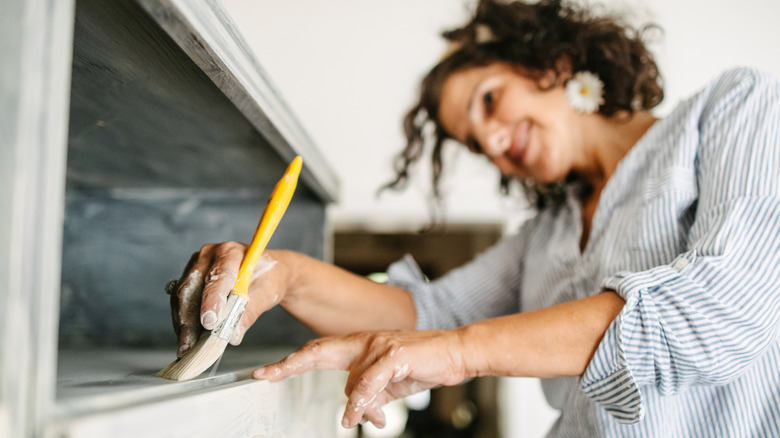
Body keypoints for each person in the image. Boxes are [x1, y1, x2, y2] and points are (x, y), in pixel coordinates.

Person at [167, 0, 780, 435]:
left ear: (551, 63)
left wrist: (460, 352)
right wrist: (285, 275)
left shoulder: (735, 108)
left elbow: (720, 311)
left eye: (488, 100)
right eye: (474, 143)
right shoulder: (547, 237)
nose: (491, 140)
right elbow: (427, 316)